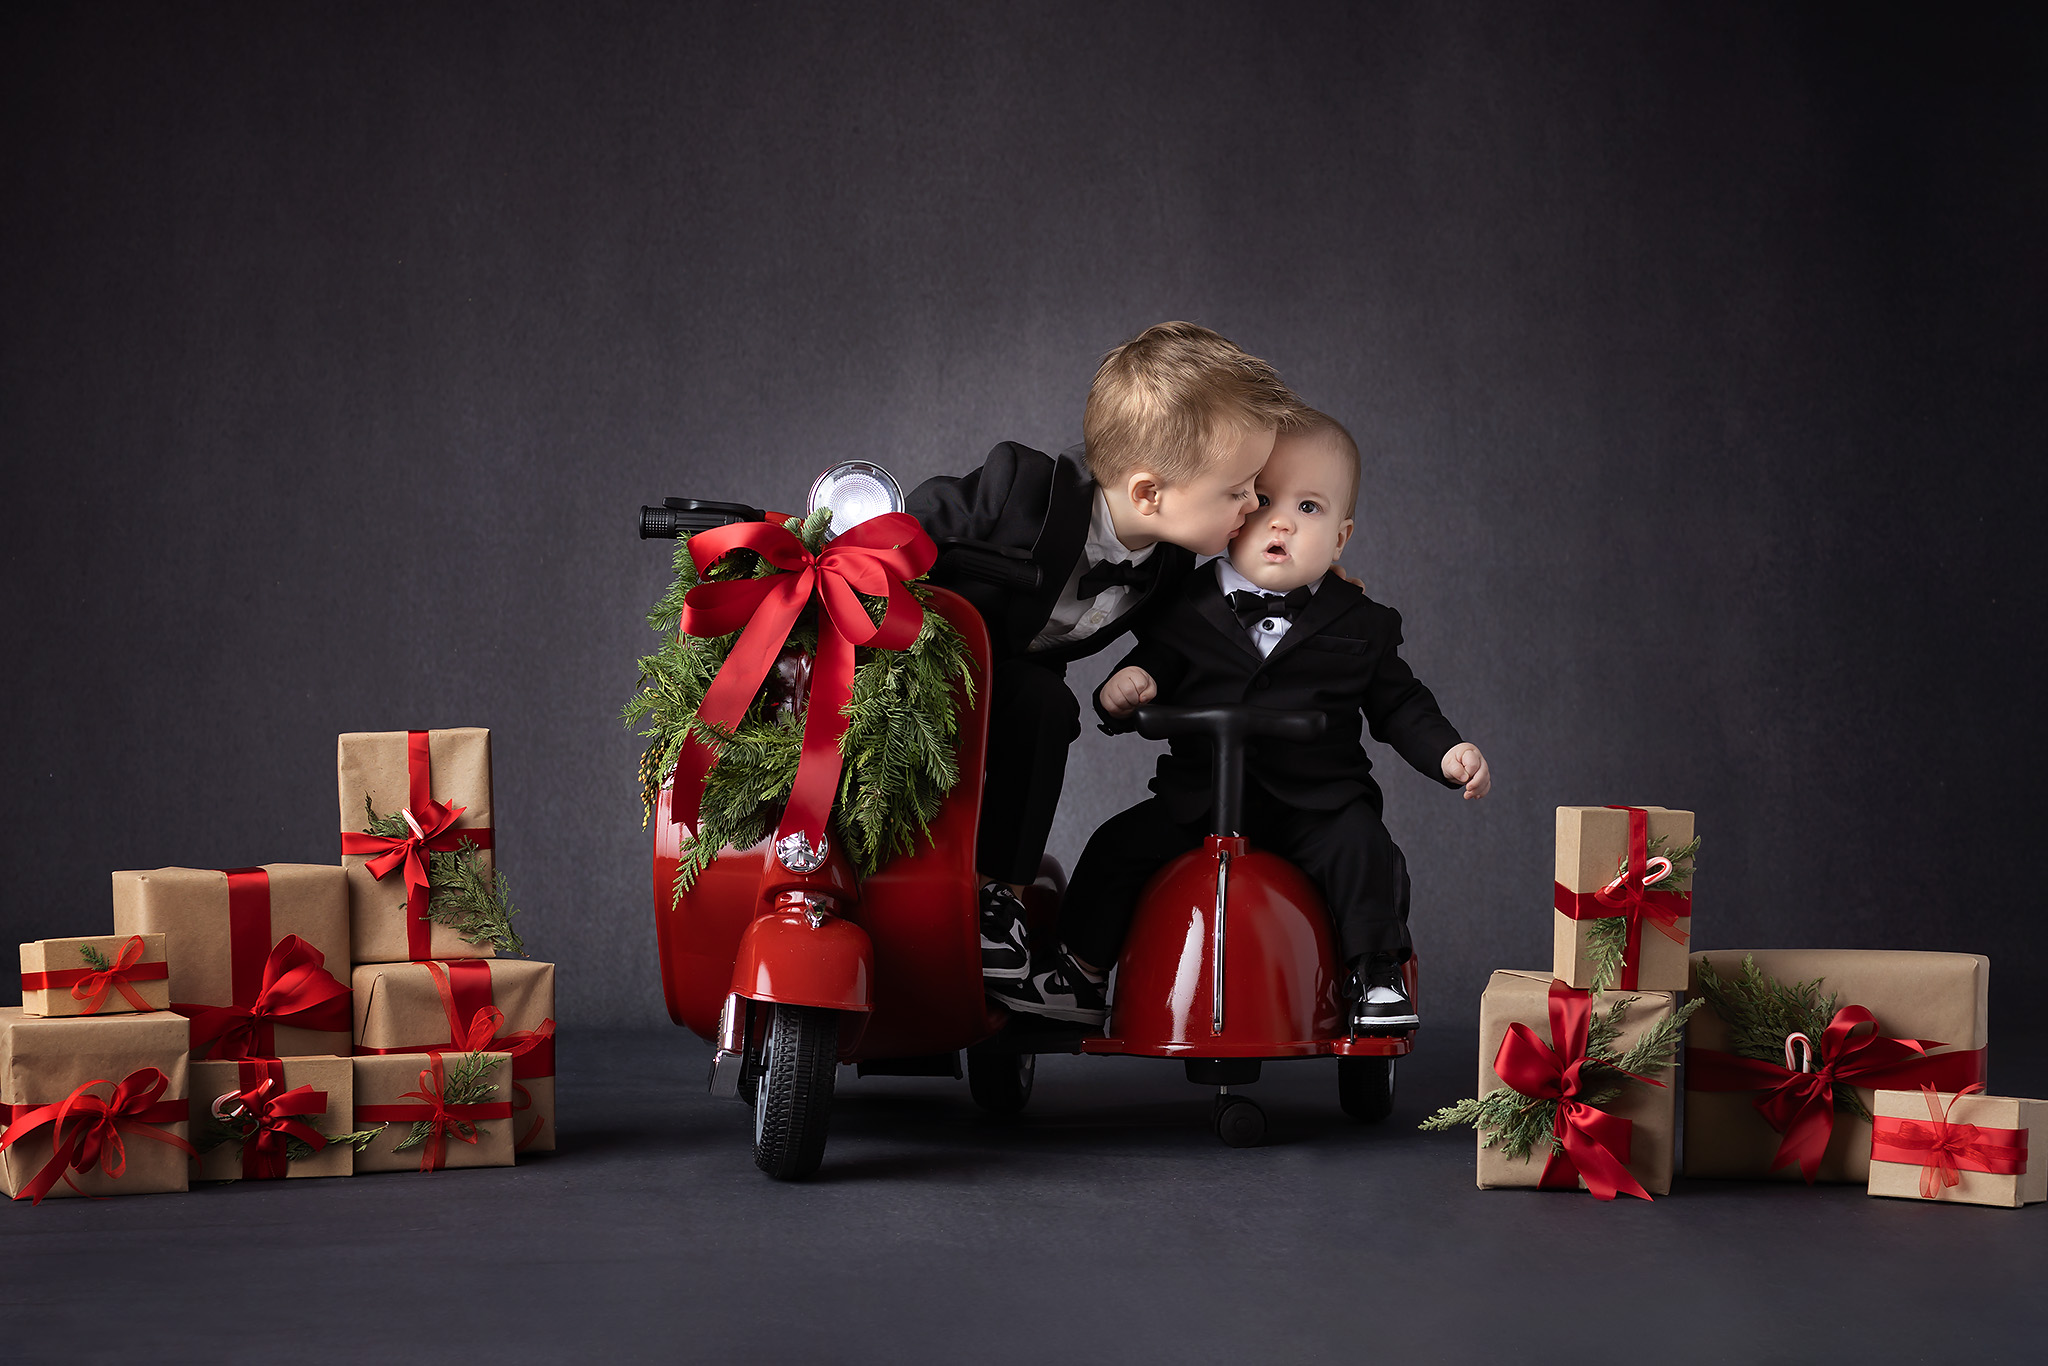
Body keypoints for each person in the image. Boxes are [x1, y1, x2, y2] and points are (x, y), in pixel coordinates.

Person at [988, 410, 1491, 1030]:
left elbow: (1401, 703)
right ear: (1232, 516)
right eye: (1264, 502)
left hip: (1317, 802)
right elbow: (1153, 663)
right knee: (1115, 847)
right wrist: (1126, 690)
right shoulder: (1181, 605)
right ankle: (1081, 971)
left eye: (1309, 508)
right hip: (1197, 799)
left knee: (1365, 850)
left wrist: (1447, 752)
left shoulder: (1362, 622)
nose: (1281, 520)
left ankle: (1376, 972)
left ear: (1341, 537)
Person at [907, 322, 1303, 984]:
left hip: (1015, 690)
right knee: (1023, 698)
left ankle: (994, 894)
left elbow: (1191, 636)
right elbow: (912, 520)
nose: (1254, 503)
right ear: (1149, 492)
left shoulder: (1171, 565)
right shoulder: (1020, 488)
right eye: (1236, 489)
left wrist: (1316, 589)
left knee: (1044, 703)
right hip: (917, 668)